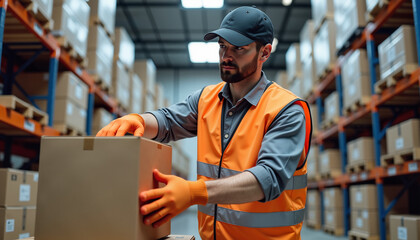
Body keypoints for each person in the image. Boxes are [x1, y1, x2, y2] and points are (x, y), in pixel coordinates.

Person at [97, 6, 312, 240]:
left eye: (239, 48)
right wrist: (138, 120)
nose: (226, 56)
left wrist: (193, 192)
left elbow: (267, 178)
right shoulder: (206, 100)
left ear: (265, 52)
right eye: (222, 46)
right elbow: (167, 121)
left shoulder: (287, 109)